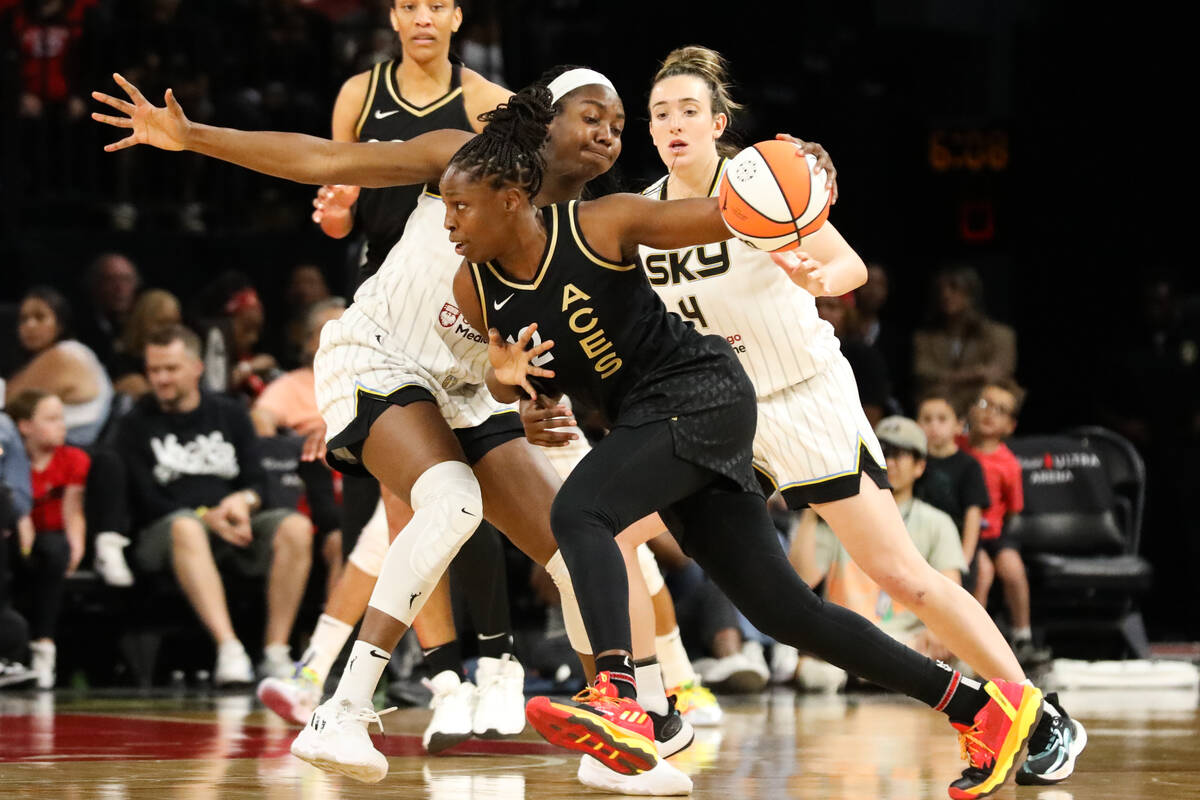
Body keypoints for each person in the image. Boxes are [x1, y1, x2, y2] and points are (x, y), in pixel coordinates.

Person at [90, 64, 741, 795]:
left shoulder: (582, 234)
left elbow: (522, 367)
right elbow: (326, 159)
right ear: (545, 118)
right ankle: (341, 708)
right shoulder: (460, 157)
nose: (607, 133)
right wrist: (193, 137)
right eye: (592, 115)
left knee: (574, 548)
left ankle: (615, 740)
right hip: (377, 356)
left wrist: (530, 399)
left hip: (466, 393)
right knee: (453, 501)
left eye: (618, 127)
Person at [412, 82, 1044, 798]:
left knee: (579, 512)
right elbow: (530, 388)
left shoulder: (600, 223)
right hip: (651, 423)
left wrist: (803, 167)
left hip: (701, 392)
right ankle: (982, 710)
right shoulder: (475, 289)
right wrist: (509, 385)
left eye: (457, 205)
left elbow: (735, 211)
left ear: (507, 198)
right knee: (784, 611)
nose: (448, 223)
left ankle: (628, 701)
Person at [112, 324, 314, 686]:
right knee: (186, 526)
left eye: (170, 369)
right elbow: (146, 500)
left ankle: (275, 651)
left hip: (233, 524)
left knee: (295, 527)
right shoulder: (133, 425)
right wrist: (208, 518)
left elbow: (258, 483)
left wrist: (242, 501)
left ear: (196, 367)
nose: (160, 379)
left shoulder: (230, 414)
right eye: (154, 370)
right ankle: (229, 648)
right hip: (166, 533)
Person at [793, 416, 967, 677]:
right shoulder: (839, 515)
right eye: (880, 453)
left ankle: (876, 674)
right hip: (850, 638)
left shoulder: (937, 522)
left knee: (963, 659)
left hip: (911, 641)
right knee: (815, 673)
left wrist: (939, 632)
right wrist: (809, 507)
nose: (888, 462)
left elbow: (951, 591)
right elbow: (802, 579)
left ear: (920, 466)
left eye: (899, 454)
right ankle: (882, 674)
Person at [7, 389, 90, 689]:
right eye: (51, 419)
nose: (62, 426)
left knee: (56, 551)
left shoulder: (72, 458)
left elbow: (73, 508)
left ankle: (44, 647)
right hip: (16, 534)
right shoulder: (12, 458)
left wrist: (76, 545)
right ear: (25, 425)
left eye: (61, 418)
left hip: (51, 536)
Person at [961, 380, 1046, 668]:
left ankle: (1022, 635)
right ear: (970, 410)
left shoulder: (1009, 464)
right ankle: (975, 641)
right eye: (984, 404)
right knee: (982, 573)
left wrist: (995, 529)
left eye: (1000, 410)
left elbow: (1014, 508)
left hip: (995, 532)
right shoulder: (958, 449)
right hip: (965, 530)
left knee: (1012, 569)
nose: (989, 414)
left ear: (1010, 425)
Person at [5, 286, 114, 447]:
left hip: (70, 452)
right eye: (23, 319)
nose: (30, 325)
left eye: (40, 317)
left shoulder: (64, 354)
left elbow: (9, 402)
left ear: (60, 324)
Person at [913, 265, 1017, 412]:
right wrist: (976, 374)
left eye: (954, 287)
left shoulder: (1000, 335)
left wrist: (949, 380)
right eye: (941, 290)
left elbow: (997, 375)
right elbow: (925, 374)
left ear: (971, 293)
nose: (946, 295)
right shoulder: (925, 338)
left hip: (985, 411)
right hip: (941, 413)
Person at [915, 389, 990, 571]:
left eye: (942, 419)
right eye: (926, 419)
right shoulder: (913, 462)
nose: (934, 426)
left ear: (959, 425)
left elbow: (973, 516)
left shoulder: (969, 465)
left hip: (955, 545)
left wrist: (964, 558)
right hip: (917, 544)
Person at [110, 288, 183, 399]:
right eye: (161, 322)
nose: (169, 329)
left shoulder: (185, 359)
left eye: (174, 322)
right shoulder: (122, 364)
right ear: (142, 323)